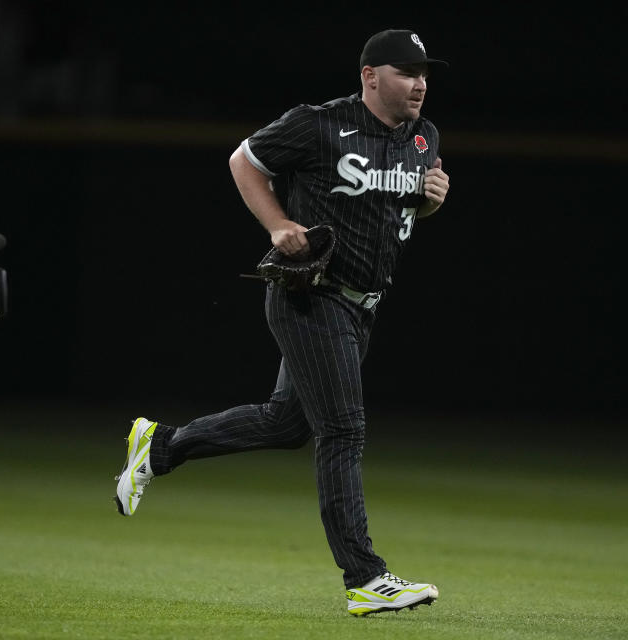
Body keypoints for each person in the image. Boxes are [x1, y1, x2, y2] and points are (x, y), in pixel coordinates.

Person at [114, 28, 450, 617]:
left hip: (362, 305)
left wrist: (428, 199)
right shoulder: (317, 123)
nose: (420, 83)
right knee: (342, 431)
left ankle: (161, 446)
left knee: (287, 423)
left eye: (424, 72)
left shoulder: (423, 137)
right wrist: (275, 224)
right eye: (406, 71)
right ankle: (365, 577)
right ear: (370, 75)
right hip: (311, 295)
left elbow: (400, 203)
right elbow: (244, 160)